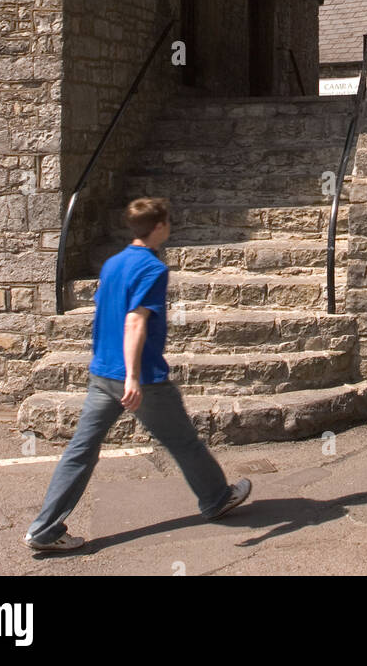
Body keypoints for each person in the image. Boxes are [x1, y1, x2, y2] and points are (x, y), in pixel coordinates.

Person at [25, 196, 251, 552]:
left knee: (81, 450)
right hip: (142, 378)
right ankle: (217, 498)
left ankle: (44, 528)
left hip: (102, 373)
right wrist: (132, 376)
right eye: (168, 222)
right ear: (159, 226)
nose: (170, 226)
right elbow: (134, 320)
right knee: (183, 442)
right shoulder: (152, 269)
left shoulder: (113, 264)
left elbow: (102, 311)